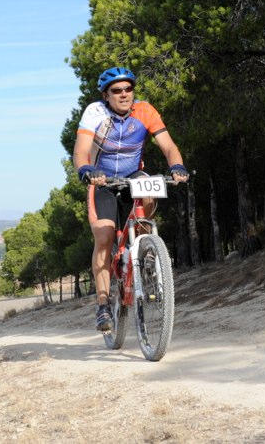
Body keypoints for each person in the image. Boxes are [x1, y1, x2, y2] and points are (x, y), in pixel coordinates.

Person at [73, 66, 189, 331]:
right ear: (106, 95)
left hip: (132, 176)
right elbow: (80, 151)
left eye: (128, 88)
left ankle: (145, 249)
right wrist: (86, 169)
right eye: (117, 90)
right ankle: (103, 305)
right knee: (104, 238)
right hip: (102, 181)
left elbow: (169, 146)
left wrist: (177, 166)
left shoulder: (145, 111)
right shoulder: (95, 112)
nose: (124, 94)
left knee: (148, 190)